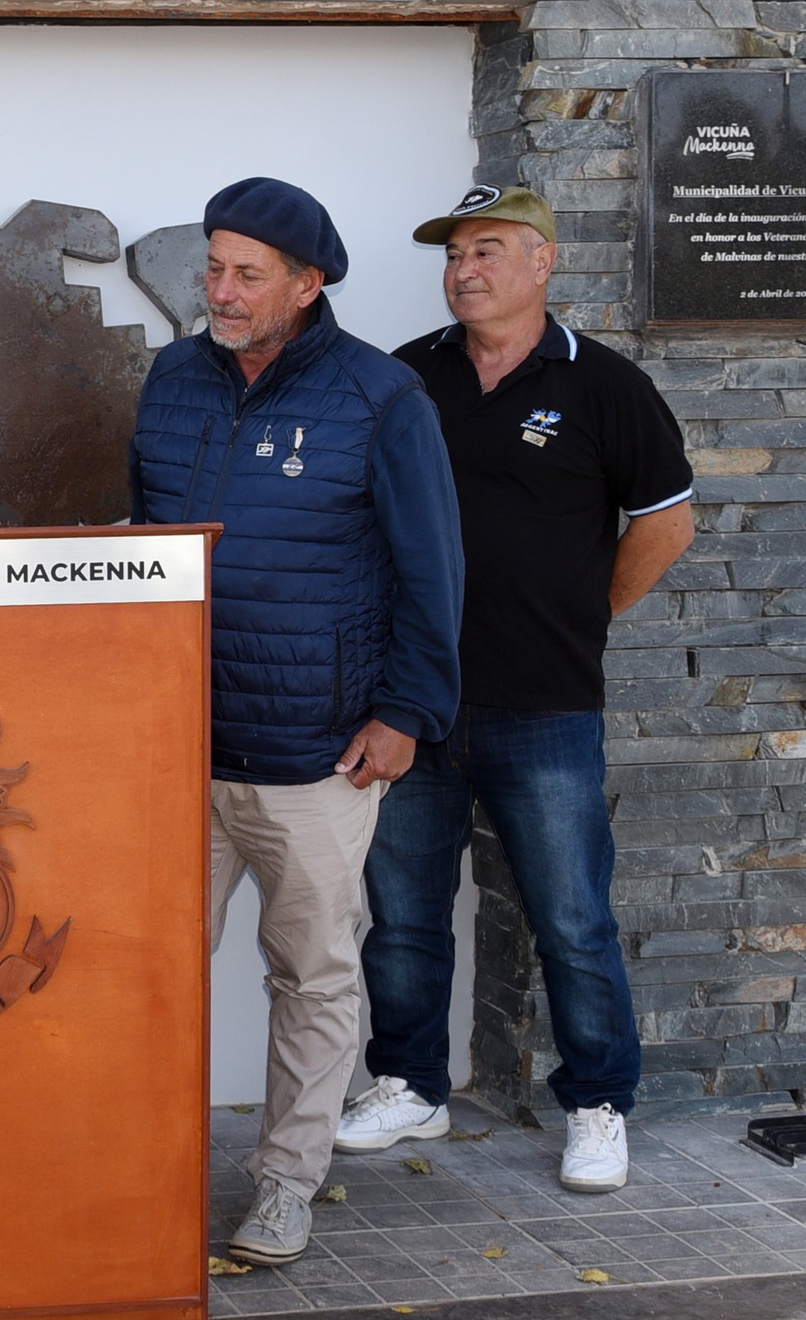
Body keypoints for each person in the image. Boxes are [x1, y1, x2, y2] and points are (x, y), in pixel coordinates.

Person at [128, 177, 463, 1267]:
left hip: (314, 756)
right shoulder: (171, 379)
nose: (220, 292)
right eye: (213, 268)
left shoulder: (381, 397)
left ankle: (283, 1184)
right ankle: (137, 1170)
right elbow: (144, 545)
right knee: (146, 968)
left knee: (312, 978)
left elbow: (433, 569)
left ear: (307, 284)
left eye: (246, 274)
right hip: (181, 748)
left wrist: (406, 711)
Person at [337, 185, 694, 1192]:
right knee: (403, 914)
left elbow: (666, 523)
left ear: (543, 261)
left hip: (544, 707)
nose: (464, 270)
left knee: (570, 919)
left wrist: (582, 618)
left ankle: (597, 1104)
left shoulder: (603, 385)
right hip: (413, 704)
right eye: (454, 254)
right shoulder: (405, 377)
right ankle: (410, 1085)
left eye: (487, 250)